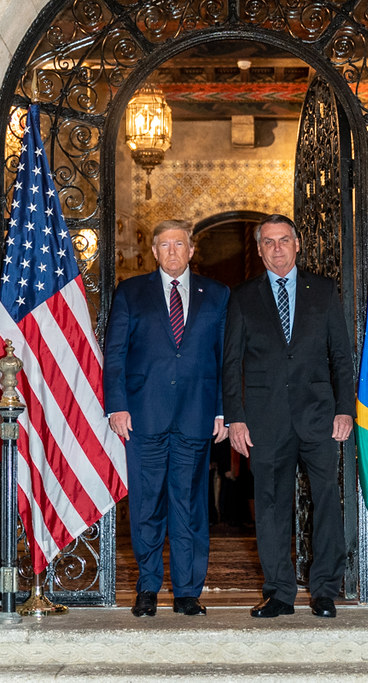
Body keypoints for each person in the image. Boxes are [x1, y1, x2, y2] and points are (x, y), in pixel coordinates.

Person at [222, 214, 355, 619]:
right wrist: (236, 419)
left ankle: (324, 591)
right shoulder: (243, 297)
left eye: (284, 240)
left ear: (297, 245)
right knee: (270, 506)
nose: (277, 248)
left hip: (319, 418)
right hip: (265, 422)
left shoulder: (324, 291)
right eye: (268, 242)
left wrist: (345, 409)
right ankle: (278, 592)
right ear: (260, 250)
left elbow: (341, 358)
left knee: (327, 503)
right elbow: (231, 364)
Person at [103, 219, 229, 617]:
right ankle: (147, 586)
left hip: (196, 414)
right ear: (153, 252)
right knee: (147, 505)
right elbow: (115, 354)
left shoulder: (218, 295)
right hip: (143, 415)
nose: (172, 251)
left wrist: (224, 411)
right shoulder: (131, 292)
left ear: (192, 250)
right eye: (164, 245)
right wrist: (116, 405)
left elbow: (226, 358)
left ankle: (188, 591)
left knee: (190, 506)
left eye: (179, 244)